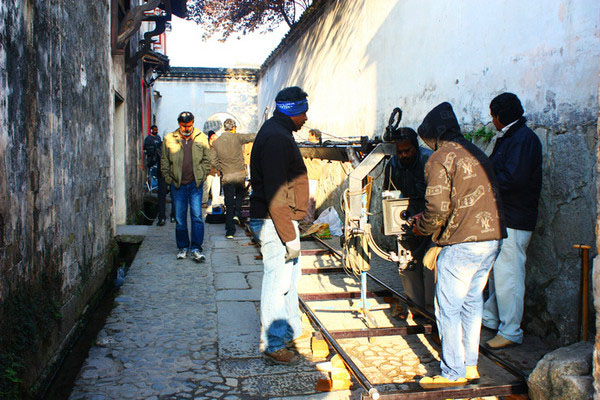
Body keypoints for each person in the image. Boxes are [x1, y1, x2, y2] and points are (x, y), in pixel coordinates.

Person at [413, 102, 505, 388]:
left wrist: (422, 227)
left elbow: (437, 207)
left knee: (448, 309)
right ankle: (470, 366)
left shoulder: (439, 157)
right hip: (492, 239)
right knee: (471, 303)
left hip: (463, 244)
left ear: (433, 135)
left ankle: (451, 372)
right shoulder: (475, 150)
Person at [249, 87, 309, 365]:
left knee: (290, 281)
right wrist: (288, 236)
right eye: (303, 112)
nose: (306, 118)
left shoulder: (279, 133)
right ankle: (273, 344)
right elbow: (275, 194)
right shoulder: (275, 138)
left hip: (281, 221)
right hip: (275, 222)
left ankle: (291, 334)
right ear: (293, 112)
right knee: (277, 282)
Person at [482, 93, 542, 350]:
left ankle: (511, 330)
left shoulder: (522, 139)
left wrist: (486, 186)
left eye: (493, 116)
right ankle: (493, 317)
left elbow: (513, 179)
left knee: (510, 275)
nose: (492, 121)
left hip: (515, 216)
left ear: (500, 116)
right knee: (500, 274)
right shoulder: (512, 136)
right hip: (506, 215)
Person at [382, 128, 434, 315]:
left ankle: (432, 313)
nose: (403, 155)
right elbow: (387, 194)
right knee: (408, 264)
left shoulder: (429, 161)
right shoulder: (393, 164)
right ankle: (417, 309)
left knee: (430, 267)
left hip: (430, 216)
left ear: (416, 147)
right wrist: (386, 220)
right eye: (400, 152)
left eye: (407, 151)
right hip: (405, 217)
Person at [160, 111, 211, 262]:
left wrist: (202, 176)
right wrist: (169, 179)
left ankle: (196, 248)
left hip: (195, 184)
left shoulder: (201, 137)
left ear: (193, 123)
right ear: (179, 124)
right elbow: (164, 161)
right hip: (178, 185)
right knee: (180, 219)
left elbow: (207, 159)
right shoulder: (170, 138)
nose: (186, 128)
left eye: (189, 125)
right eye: (183, 126)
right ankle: (183, 247)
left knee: (197, 217)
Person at [211, 119, 256, 238]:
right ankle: (237, 213)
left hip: (227, 175)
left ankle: (230, 231)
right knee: (241, 194)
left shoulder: (216, 143)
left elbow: (213, 160)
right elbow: (251, 136)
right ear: (233, 128)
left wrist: (222, 169)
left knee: (228, 202)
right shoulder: (237, 137)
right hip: (240, 174)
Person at [202, 130, 221, 209]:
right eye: (213, 137)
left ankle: (215, 203)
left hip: (216, 171)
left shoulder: (217, 147)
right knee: (206, 187)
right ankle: (203, 201)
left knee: (216, 188)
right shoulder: (206, 147)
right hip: (208, 171)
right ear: (210, 138)